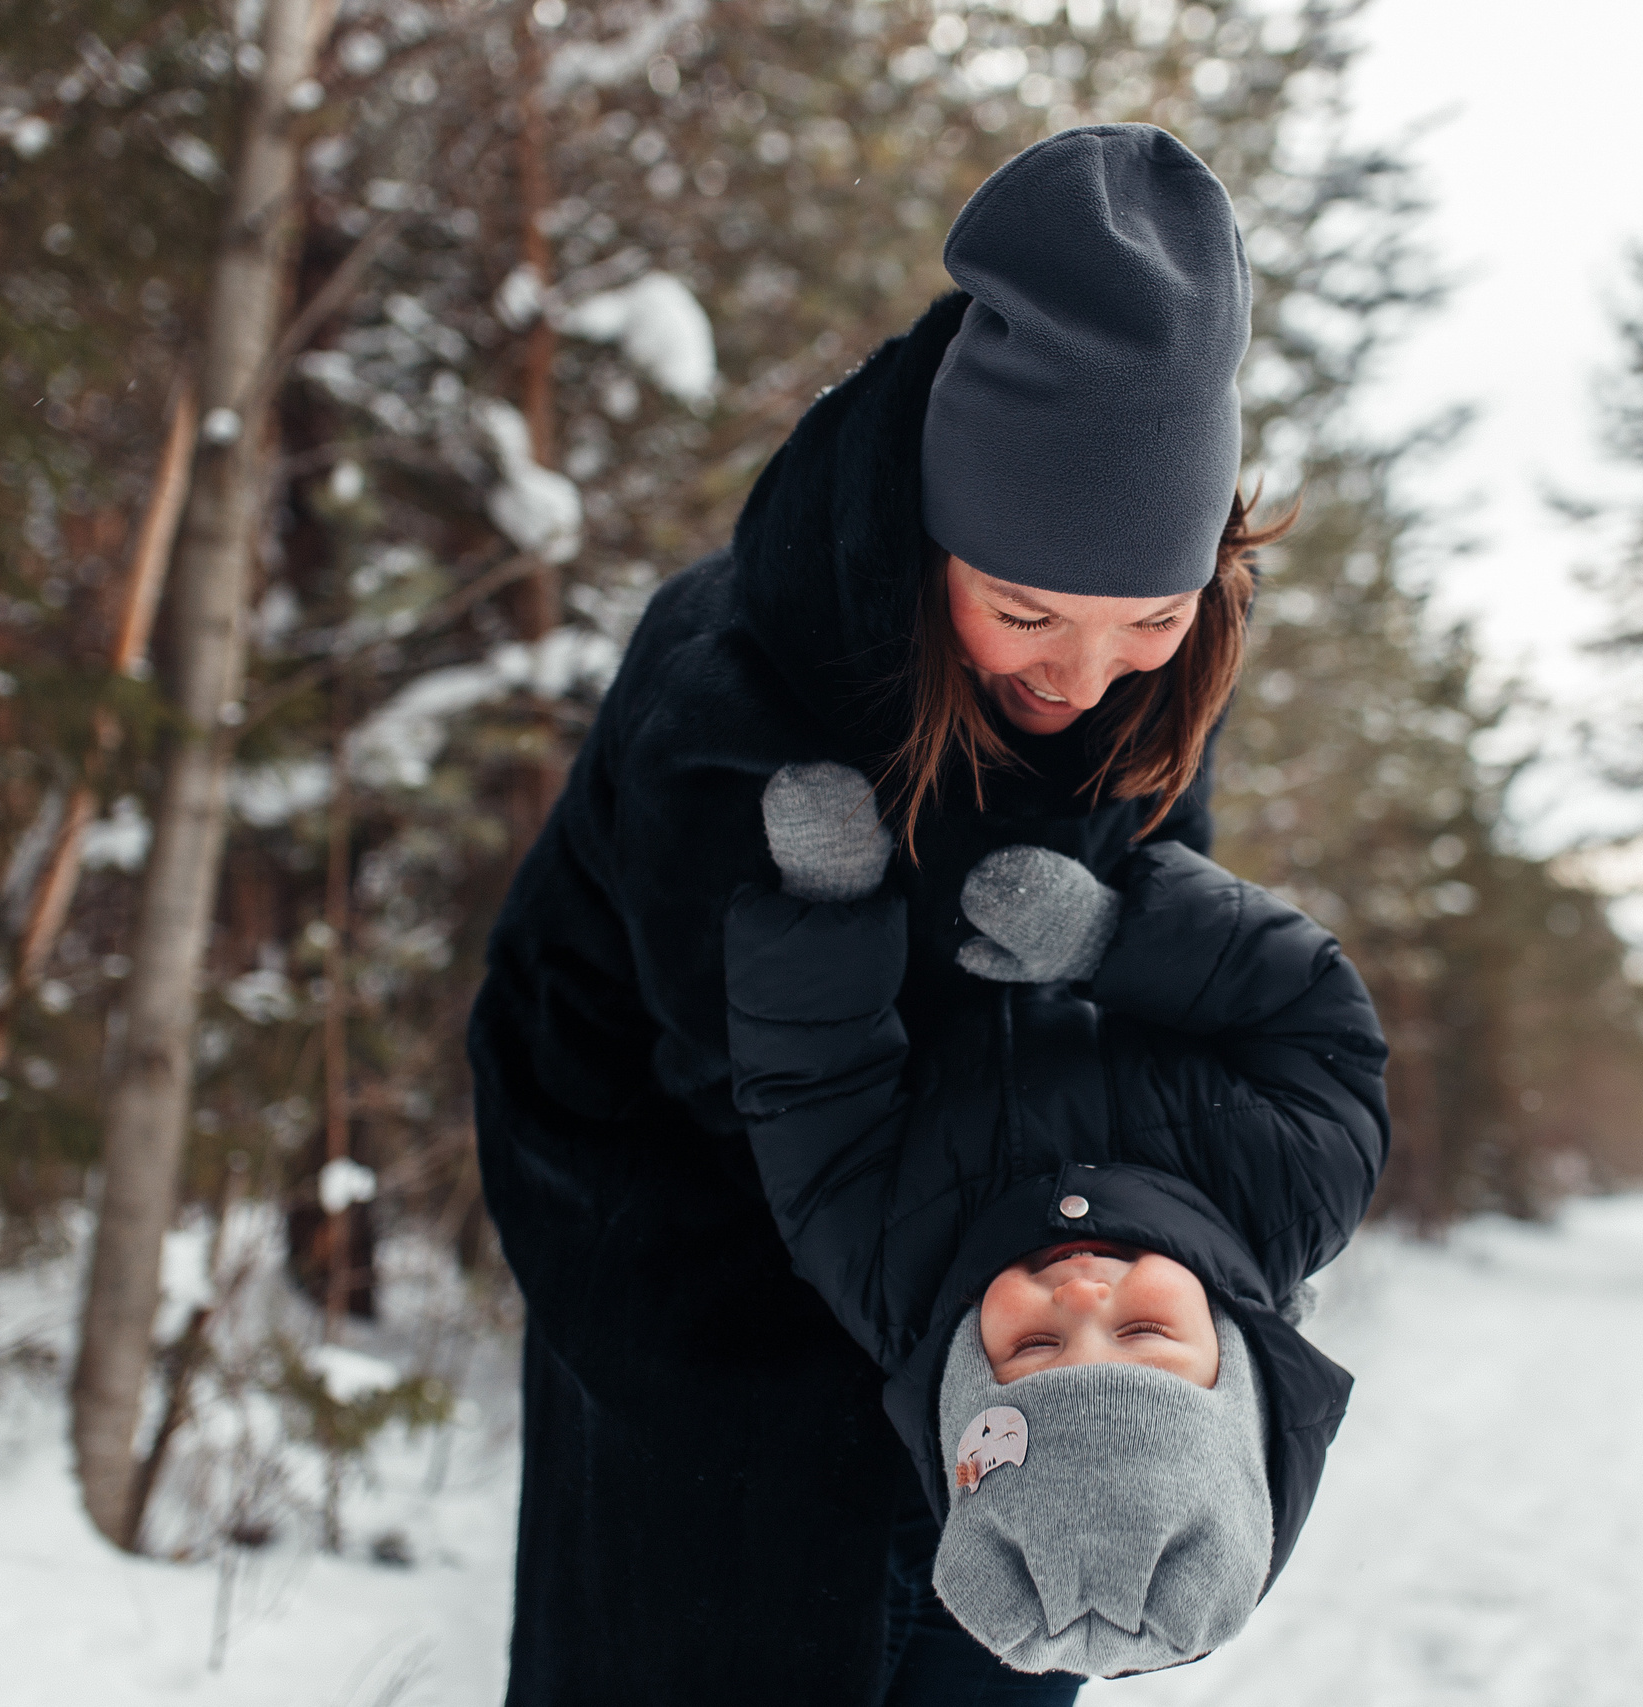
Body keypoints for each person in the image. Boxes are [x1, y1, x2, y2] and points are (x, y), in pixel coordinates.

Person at [470, 124, 1285, 1703]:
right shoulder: (730, 697)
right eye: (1027, 611)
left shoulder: (1141, 681)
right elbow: (764, 1084)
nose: (1082, 672)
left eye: (1151, 617)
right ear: (933, 543)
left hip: (981, 1291)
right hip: (699, 1285)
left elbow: (1150, 988)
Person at [725, 764, 1390, 1680]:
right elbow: (1317, 1019)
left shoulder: (881, 1262)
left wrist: (829, 908)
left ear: (963, 1385)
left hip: (916, 909)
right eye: (1147, 1327)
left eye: (1034, 1345)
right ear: (1234, 1361)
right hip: (1107, 839)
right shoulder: (1297, 1187)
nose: (1081, 1293)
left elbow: (811, 1085)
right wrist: (1110, 938)